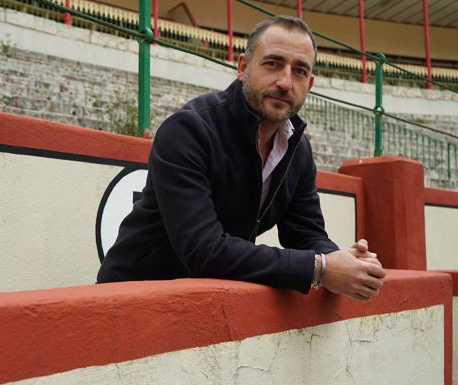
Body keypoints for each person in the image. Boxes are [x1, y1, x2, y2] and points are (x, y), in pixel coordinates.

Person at [97, 15, 385, 301]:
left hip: (208, 304)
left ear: (309, 84)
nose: (285, 82)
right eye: (273, 64)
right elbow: (204, 250)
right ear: (243, 68)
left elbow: (306, 233)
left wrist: (346, 262)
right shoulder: (188, 130)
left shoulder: (298, 149)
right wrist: (320, 268)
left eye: (298, 71)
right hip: (131, 300)